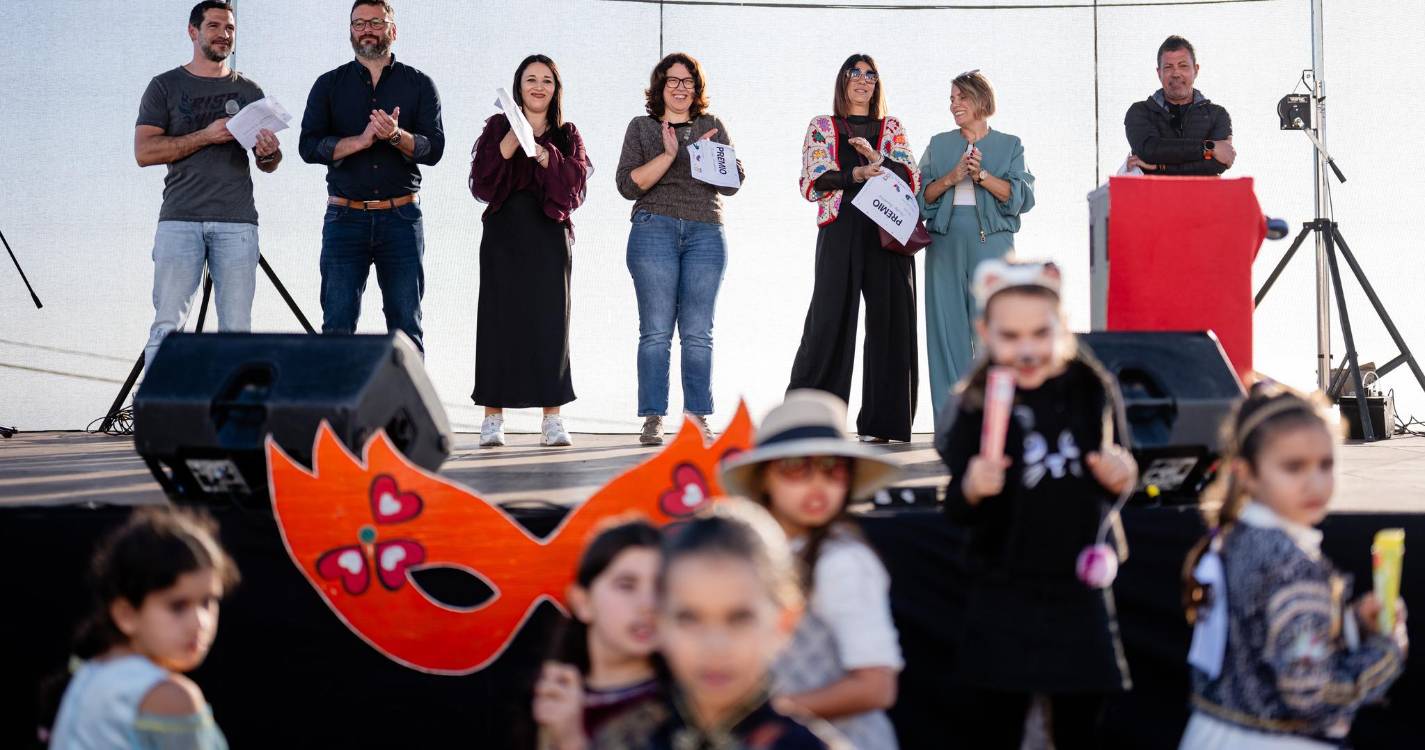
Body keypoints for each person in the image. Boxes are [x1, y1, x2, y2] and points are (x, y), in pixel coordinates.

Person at [935, 259, 1139, 749]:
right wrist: (971, 487)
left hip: (1079, 585)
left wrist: (1122, 475)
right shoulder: (974, 402)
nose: (1026, 350)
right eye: (1009, 336)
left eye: (1039, 334)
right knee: (998, 720)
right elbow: (956, 511)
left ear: (1062, 326)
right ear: (985, 332)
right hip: (1003, 584)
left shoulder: (1091, 388)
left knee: (1081, 721)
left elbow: (1120, 471)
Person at [1179, 385, 1408, 749]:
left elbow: (1259, 643)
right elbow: (1311, 694)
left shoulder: (1233, 539)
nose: (1315, 482)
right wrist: (1385, 651)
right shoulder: (1293, 567)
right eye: (1294, 467)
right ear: (1247, 474)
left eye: (1326, 464)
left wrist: (1349, 626)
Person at [721, 390, 904, 749]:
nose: (817, 484)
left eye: (832, 469)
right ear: (764, 479)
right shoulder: (761, 553)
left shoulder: (843, 562)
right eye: (795, 468)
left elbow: (876, 687)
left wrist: (766, 717)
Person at [594, 501, 849, 749]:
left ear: (784, 623)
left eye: (739, 618)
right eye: (689, 618)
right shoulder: (622, 740)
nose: (715, 646)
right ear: (659, 622)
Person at [135, 1, 282, 370]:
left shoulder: (249, 89)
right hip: (180, 219)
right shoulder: (164, 86)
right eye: (214, 26)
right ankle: (160, 413)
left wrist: (268, 152)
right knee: (169, 326)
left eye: (229, 28)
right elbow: (144, 151)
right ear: (193, 32)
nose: (223, 34)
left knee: (236, 330)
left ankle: (232, 414)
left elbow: (268, 165)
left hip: (237, 221)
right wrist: (205, 135)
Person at [299, 0, 445, 354]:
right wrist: (362, 141)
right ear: (350, 30)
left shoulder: (420, 84)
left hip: (402, 219)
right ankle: (333, 412)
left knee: (406, 329)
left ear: (392, 30)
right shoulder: (328, 85)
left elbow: (434, 149)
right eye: (359, 23)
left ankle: (405, 412)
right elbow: (308, 146)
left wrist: (396, 136)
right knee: (336, 326)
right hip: (344, 219)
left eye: (376, 22)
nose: (366, 29)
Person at [789, 54, 921, 444]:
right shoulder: (823, 126)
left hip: (887, 231)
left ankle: (885, 423)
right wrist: (856, 174)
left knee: (893, 323)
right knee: (829, 321)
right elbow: (813, 179)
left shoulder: (890, 127)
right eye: (855, 73)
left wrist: (877, 160)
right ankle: (811, 421)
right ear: (843, 81)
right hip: (841, 228)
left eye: (870, 74)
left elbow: (910, 176)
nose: (863, 81)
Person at [615, 52, 744, 447]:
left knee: (698, 332)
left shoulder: (712, 125)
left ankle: (696, 418)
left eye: (688, 81)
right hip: (654, 227)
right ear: (659, 86)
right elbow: (628, 185)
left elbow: (734, 182)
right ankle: (653, 417)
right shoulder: (641, 128)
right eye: (672, 80)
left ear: (697, 87)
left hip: (706, 230)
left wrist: (709, 155)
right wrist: (670, 155)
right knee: (655, 331)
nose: (680, 87)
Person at [470, 54, 591, 448]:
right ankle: (492, 418)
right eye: (530, 80)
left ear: (556, 89)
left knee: (551, 323)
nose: (538, 87)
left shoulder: (567, 134)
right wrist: (509, 143)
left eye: (547, 81)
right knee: (497, 320)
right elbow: (482, 185)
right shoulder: (496, 127)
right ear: (518, 87)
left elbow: (574, 189)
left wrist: (544, 155)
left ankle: (552, 418)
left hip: (549, 236)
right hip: (504, 233)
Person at [46, 507, 240, 749]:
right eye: (177, 606)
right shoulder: (170, 697)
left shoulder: (91, 668)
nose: (200, 622)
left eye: (208, 602)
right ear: (126, 615)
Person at [917, 70, 1035, 432]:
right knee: (946, 335)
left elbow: (1023, 197)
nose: (954, 104)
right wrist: (951, 178)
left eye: (961, 97)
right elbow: (920, 196)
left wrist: (981, 176)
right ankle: (952, 428)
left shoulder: (1010, 144)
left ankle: (997, 426)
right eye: (952, 98)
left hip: (994, 246)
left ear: (981, 99)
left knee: (995, 333)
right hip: (945, 242)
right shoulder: (938, 145)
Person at [532, 519, 664, 750]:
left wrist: (570, 741)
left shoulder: (692, 707)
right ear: (583, 602)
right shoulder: (547, 696)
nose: (648, 604)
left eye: (662, 587)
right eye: (627, 585)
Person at [1124, 35, 1235, 175]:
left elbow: (1218, 164)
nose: (1176, 73)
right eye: (1168, 67)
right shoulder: (1140, 112)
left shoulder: (1217, 114)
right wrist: (1208, 148)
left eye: (1183, 66)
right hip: (1154, 196)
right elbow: (1150, 151)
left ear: (1196, 70)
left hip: (1204, 196)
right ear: (1159, 73)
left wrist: (1160, 167)